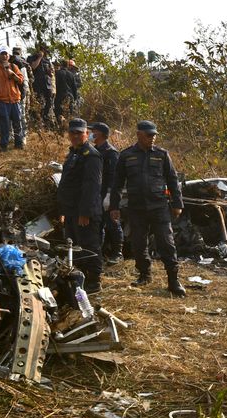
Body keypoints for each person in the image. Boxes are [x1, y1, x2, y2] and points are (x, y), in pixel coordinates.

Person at [109, 121, 186, 297]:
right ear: (139, 135)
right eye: (149, 135)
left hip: (159, 206)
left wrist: (177, 204)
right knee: (138, 244)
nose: (152, 138)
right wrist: (114, 206)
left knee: (166, 243)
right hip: (137, 208)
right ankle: (145, 274)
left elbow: (173, 180)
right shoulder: (126, 155)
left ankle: (173, 280)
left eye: (154, 135)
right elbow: (117, 184)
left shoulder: (162, 155)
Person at [57, 118, 103, 293]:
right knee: (74, 245)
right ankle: (80, 279)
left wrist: (85, 212)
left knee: (89, 246)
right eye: (72, 132)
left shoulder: (91, 155)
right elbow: (66, 185)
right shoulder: (73, 154)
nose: (75, 136)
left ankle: (94, 281)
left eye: (79, 132)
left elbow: (92, 186)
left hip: (85, 212)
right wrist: (62, 210)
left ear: (87, 134)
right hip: (70, 210)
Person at [90, 122, 123, 264]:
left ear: (101, 134)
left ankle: (118, 253)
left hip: (107, 194)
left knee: (112, 223)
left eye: (94, 131)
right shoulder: (94, 150)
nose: (92, 134)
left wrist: (110, 195)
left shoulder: (111, 152)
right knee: (98, 224)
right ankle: (98, 253)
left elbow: (115, 176)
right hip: (96, 193)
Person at [0, 47, 24, 151]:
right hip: (2, 100)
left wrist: (12, 74)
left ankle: (19, 144)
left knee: (17, 123)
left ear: (9, 55)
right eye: (2, 54)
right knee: (4, 124)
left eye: (6, 54)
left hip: (15, 99)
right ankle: (4, 145)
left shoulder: (14, 66)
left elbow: (20, 80)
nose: (4, 56)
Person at [27, 46, 54, 128]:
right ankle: (37, 122)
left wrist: (50, 72)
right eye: (42, 50)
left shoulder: (47, 60)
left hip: (47, 85)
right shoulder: (31, 58)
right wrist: (39, 57)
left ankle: (46, 122)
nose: (44, 52)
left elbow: (51, 73)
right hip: (37, 85)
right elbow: (33, 67)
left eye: (45, 51)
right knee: (38, 104)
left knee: (48, 104)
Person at [11, 47, 32, 137]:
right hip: (25, 88)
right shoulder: (25, 63)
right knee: (24, 112)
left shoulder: (14, 62)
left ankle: (19, 133)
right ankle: (24, 133)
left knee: (19, 113)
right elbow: (31, 77)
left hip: (18, 89)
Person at [53, 60, 76, 127]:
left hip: (59, 96)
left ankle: (60, 127)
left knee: (58, 112)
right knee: (68, 113)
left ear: (61, 65)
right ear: (68, 66)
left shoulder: (57, 73)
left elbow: (55, 84)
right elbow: (74, 88)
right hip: (69, 96)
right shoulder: (71, 75)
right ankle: (66, 127)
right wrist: (74, 98)